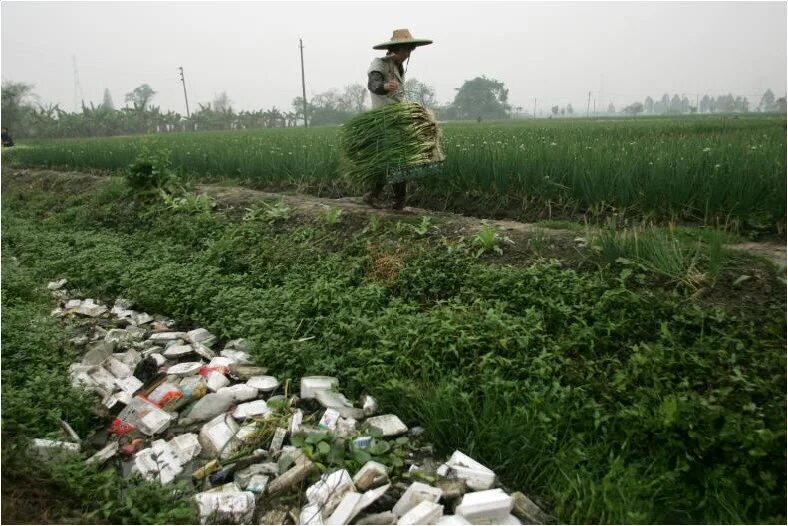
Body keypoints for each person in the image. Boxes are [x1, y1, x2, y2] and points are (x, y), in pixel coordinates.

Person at [364, 28, 432, 210]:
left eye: (410, 51)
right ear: (396, 49)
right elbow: (373, 84)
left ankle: (375, 195)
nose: (408, 54)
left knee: (394, 159)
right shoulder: (379, 63)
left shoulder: (398, 67)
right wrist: (385, 85)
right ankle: (397, 201)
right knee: (398, 160)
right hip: (383, 120)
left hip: (397, 118)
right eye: (406, 50)